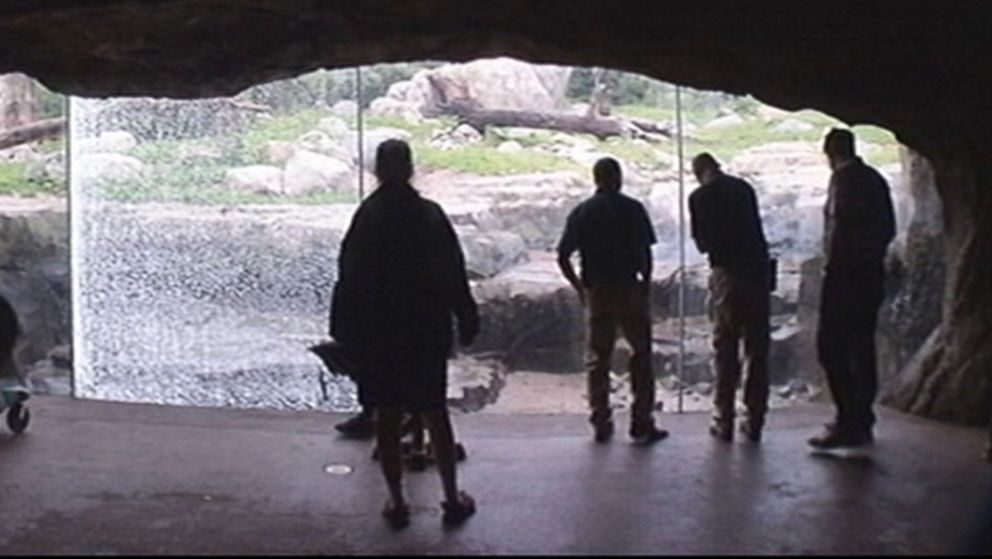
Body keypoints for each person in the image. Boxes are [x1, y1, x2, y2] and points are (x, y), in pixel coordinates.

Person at [332, 139, 480, 528]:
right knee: (435, 412)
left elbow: (349, 277)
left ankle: (397, 501)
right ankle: (450, 497)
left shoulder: (367, 216)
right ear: (412, 168)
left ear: (377, 171)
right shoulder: (430, 215)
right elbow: (453, 271)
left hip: (380, 333)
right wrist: (466, 317)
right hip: (425, 329)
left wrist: (343, 333)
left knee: (386, 413)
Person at [557, 157, 668, 445]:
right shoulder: (633, 208)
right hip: (629, 287)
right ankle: (642, 421)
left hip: (598, 291)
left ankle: (601, 421)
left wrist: (580, 287)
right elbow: (645, 254)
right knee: (641, 354)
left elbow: (563, 255)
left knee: (599, 358)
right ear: (618, 177)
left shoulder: (582, 212)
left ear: (595, 179)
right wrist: (646, 284)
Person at [808, 128, 895, 449]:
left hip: (845, 276)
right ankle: (862, 416)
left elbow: (839, 229)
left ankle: (849, 419)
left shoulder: (844, 180)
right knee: (861, 347)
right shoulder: (874, 178)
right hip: (871, 274)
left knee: (830, 346)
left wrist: (835, 268)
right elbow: (887, 228)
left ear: (829, 153)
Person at [688, 153, 772, 442]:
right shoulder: (744, 188)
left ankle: (724, 418)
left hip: (728, 274)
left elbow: (702, 244)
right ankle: (755, 418)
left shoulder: (700, 197)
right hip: (758, 272)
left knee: (726, 346)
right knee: (757, 348)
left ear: (699, 173)